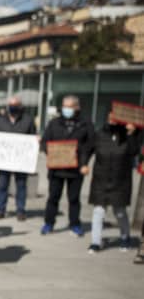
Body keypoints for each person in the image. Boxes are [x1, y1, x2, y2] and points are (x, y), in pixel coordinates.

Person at [85, 119, 141, 253]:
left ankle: (125, 237)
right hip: (100, 179)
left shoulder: (127, 136)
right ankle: (95, 242)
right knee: (98, 211)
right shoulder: (99, 134)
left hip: (120, 180)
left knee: (120, 212)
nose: (112, 120)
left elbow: (134, 151)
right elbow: (87, 149)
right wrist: (83, 163)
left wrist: (132, 133)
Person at [40, 95, 94, 236]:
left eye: (70, 106)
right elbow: (45, 141)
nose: (66, 109)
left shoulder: (85, 124)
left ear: (77, 107)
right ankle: (48, 223)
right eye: (64, 106)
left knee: (74, 198)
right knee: (53, 197)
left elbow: (89, 145)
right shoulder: (54, 123)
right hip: (56, 169)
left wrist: (84, 163)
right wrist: (50, 152)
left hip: (76, 169)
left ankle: (75, 224)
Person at [0, 95, 37, 221]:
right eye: (11, 105)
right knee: (2, 185)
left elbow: (33, 136)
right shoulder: (0, 121)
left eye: (15, 105)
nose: (13, 107)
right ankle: (0, 210)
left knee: (21, 185)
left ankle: (20, 210)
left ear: (20, 106)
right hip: (4, 160)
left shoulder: (28, 120)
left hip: (21, 161)